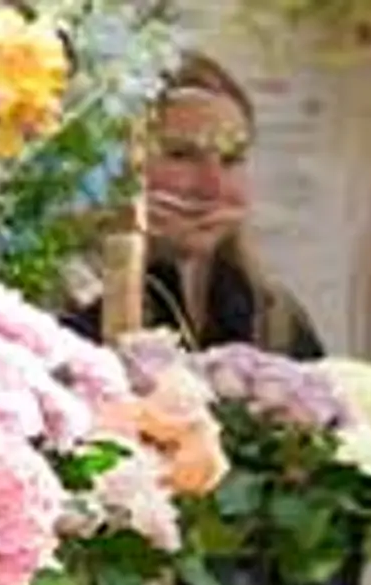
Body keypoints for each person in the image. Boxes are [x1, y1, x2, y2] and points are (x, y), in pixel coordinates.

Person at [107, 57, 323, 359]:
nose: (213, 187)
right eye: (181, 155)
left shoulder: (274, 316)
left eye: (231, 159)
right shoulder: (68, 299)